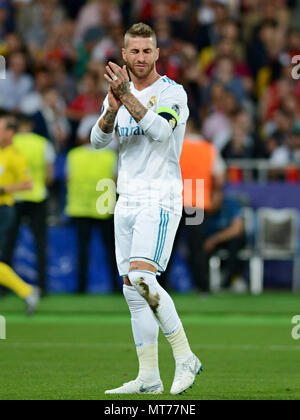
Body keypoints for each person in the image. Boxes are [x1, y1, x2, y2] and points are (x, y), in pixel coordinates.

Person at [91, 23, 202, 396]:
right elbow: (97, 140)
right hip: (126, 200)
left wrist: (127, 96)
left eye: (147, 51)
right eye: (134, 52)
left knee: (142, 279)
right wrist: (111, 107)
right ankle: (149, 377)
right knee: (132, 292)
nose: (140, 58)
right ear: (124, 55)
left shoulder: (173, 93)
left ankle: (185, 356)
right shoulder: (118, 96)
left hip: (160, 197)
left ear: (157, 54)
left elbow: (160, 132)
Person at [161, 118, 226, 292]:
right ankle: (203, 287)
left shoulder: (175, 145)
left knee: (168, 246)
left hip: (174, 199)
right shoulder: (209, 149)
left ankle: (161, 286)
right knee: (197, 247)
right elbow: (219, 178)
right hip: (197, 199)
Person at [2, 114, 55, 295]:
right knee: (40, 245)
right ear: (31, 125)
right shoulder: (42, 143)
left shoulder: (10, 144)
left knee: (8, 245)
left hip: (14, 199)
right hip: (38, 198)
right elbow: (50, 174)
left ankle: (4, 288)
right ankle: (43, 287)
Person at [65, 115, 118, 293]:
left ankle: (81, 288)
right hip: (104, 209)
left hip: (79, 207)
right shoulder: (110, 156)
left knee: (82, 250)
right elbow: (116, 181)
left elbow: (68, 178)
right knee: (111, 251)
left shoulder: (73, 155)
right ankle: (116, 287)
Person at [0, 111, 40, 315]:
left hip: (4, 210)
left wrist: (4, 189)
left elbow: (28, 183)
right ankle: (28, 291)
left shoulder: (15, 157)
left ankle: (27, 291)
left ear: (10, 133)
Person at [204, 191, 246, 289]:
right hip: (212, 241)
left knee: (235, 242)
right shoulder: (202, 210)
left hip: (228, 241)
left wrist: (215, 239)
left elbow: (237, 229)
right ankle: (203, 282)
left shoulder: (232, 204)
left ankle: (230, 279)